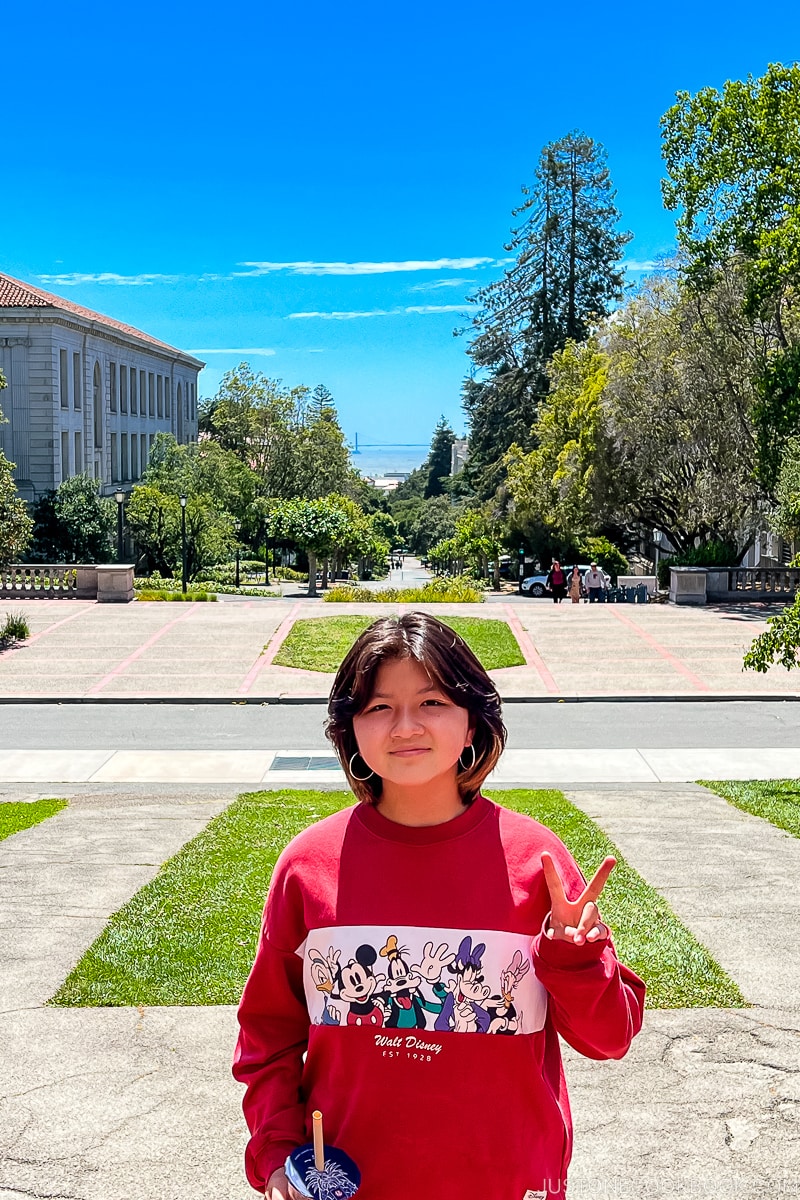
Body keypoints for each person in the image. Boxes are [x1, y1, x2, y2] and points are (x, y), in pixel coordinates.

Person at [233, 612, 645, 1200]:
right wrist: (276, 1156)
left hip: (507, 1183)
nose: (404, 726)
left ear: (473, 722)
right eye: (378, 707)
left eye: (431, 702)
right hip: (346, 1185)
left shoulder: (535, 860)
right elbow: (268, 1035)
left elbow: (609, 1039)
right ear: (349, 729)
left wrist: (575, 958)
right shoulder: (309, 865)